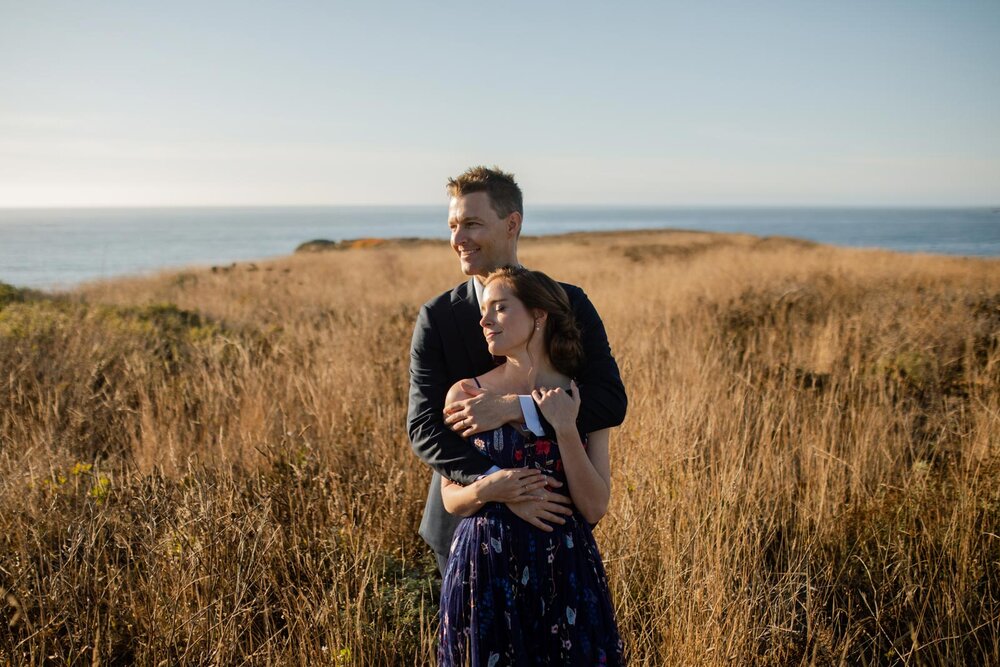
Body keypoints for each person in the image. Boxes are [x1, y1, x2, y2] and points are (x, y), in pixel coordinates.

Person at [406, 165, 626, 573]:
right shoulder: (437, 317)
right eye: (453, 225)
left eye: (472, 223)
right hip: (464, 526)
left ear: (512, 224)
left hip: (557, 523)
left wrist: (516, 407)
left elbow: (611, 401)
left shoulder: (569, 303)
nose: (458, 239)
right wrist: (499, 485)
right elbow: (423, 429)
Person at [437, 265, 623, 665]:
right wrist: (492, 488)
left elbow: (594, 507)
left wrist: (565, 427)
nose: (484, 321)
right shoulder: (467, 393)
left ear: (539, 316)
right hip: (483, 568)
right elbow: (450, 499)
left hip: (565, 571)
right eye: (484, 311)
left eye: (500, 308)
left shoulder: (581, 397)